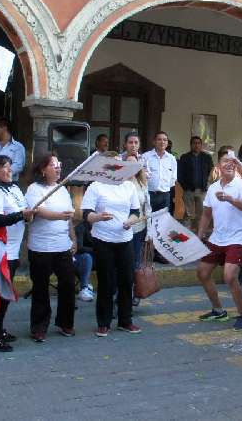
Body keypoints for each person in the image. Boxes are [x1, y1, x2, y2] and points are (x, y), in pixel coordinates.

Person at [81, 152, 142, 337]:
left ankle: (125, 320)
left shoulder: (129, 187)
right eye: (111, 164)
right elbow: (86, 214)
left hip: (125, 239)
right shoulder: (95, 186)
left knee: (127, 280)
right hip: (103, 239)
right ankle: (104, 322)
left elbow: (135, 211)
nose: (116, 167)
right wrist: (98, 217)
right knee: (106, 281)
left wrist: (130, 221)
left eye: (118, 164)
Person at [196, 147, 242, 330]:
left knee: (229, 276)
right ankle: (218, 310)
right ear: (218, 166)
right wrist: (200, 235)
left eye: (232, 162)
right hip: (217, 237)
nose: (229, 164)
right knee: (202, 272)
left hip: (238, 237)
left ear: (236, 166)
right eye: (225, 162)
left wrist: (231, 199)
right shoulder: (213, 188)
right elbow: (206, 215)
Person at [0, 155, 34, 352]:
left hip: (13, 249)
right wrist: (21, 215)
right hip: (0, 250)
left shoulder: (13, 188)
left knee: (5, 293)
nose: (9, 170)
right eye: (4, 167)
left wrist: (27, 214)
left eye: (10, 166)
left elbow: (23, 211)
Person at [24, 153, 77, 342]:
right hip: (41, 247)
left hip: (62, 246)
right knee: (40, 288)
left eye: (58, 164)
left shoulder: (62, 190)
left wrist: (73, 238)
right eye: (53, 165)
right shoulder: (33, 189)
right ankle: (39, 327)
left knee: (69, 285)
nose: (57, 168)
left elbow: (69, 218)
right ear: (42, 169)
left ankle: (65, 322)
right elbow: (39, 211)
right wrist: (58, 216)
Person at [126, 154, 151, 305]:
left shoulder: (142, 182)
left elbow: (147, 207)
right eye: (127, 164)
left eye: (133, 164)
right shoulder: (118, 183)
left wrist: (149, 230)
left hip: (139, 229)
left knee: (135, 263)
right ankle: (121, 295)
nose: (130, 167)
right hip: (122, 230)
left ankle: (134, 292)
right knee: (123, 264)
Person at [179, 136, 213, 230]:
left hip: (202, 190)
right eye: (194, 143)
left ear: (201, 145)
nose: (196, 145)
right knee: (188, 214)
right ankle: (186, 234)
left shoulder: (207, 157)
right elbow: (180, 174)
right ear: (191, 145)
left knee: (201, 214)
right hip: (188, 190)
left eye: (199, 143)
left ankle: (200, 234)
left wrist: (208, 185)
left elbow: (212, 173)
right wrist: (185, 186)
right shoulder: (185, 157)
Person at [142, 131, 177, 212]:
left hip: (165, 195)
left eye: (165, 140)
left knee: (162, 222)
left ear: (167, 143)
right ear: (154, 142)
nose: (162, 142)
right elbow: (141, 176)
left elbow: (173, 178)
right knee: (148, 221)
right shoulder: (146, 157)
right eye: (159, 139)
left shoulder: (171, 158)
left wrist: (164, 188)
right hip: (149, 194)